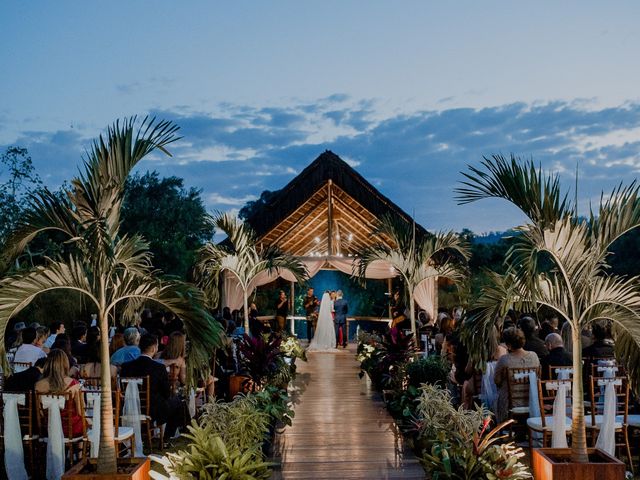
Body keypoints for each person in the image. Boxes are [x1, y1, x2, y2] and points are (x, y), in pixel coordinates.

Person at [121, 334, 186, 440]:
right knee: (178, 402)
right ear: (153, 348)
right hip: (153, 408)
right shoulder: (159, 368)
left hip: (129, 405)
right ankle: (167, 437)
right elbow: (166, 392)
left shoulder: (126, 366)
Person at [494, 327, 540, 423]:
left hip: (510, 404)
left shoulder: (504, 360)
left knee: (495, 397)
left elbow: (497, 381)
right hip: (531, 400)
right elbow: (538, 377)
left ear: (509, 345)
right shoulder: (534, 356)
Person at [35, 349, 85, 438]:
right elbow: (81, 412)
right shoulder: (74, 384)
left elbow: (40, 413)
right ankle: (79, 451)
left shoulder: (38, 385)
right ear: (65, 364)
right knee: (84, 423)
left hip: (49, 429)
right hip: (70, 430)